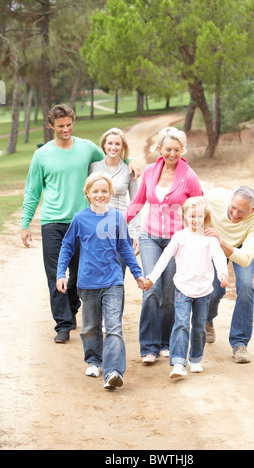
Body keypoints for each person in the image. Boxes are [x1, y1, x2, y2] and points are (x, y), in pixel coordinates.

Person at [20, 104, 140, 344]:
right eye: (60, 126)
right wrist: (25, 224)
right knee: (56, 273)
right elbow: (33, 191)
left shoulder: (86, 148)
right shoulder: (42, 154)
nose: (66, 129)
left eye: (69, 125)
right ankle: (63, 325)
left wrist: (132, 160)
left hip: (84, 222)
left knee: (78, 275)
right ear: (50, 126)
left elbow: (111, 157)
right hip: (52, 222)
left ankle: (72, 305)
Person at [56, 173, 146, 390]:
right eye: (95, 191)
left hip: (113, 280)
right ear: (87, 194)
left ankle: (113, 371)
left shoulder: (117, 218)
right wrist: (61, 273)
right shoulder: (80, 218)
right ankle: (94, 361)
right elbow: (67, 246)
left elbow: (124, 246)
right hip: (87, 282)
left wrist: (137, 273)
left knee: (113, 326)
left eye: (104, 191)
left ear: (110, 193)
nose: (100, 195)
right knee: (90, 327)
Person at [125, 127, 203, 364]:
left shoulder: (188, 176)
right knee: (151, 290)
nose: (172, 153)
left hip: (176, 240)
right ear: (159, 149)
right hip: (150, 237)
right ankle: (148, 347)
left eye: (177, 150)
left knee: (169, 295)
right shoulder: (150, 171)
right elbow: (138, 202)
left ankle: (166, 343)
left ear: (182, 151)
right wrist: (117, 223)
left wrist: (201, 236)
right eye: (168, 149)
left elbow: (199, 206)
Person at [145, 196, 228, 378]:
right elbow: (164, 258)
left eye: (199, 216)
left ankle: (196, 359)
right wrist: (151, 278)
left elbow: (220, 257)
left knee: (198, 326)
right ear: (185, 216)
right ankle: (178, 363)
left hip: (204, 290)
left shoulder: (209, 239)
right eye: (192, 216)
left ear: (205, 217)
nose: (195, 220)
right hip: (183, 288)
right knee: (181, 324)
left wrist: (223, 273)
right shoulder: (179, 237)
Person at [204, 185, 254, 363]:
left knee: (246, 287)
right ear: (230, 199)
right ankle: (208, 320)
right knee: (215, 290)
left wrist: (221, 242)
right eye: (233, 207)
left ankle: (240, 343)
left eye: (241, 211)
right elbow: (192, 195)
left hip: (239, 248)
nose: (234, 214)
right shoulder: (215, 197)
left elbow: (246, 258)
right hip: (216, 243)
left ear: (252, 209)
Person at [89, 127, 141, 272]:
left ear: (122, 146)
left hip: (123, 229)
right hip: (97, 228)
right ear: (104, 145)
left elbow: (136, 203)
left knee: (118, 274)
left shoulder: (129, 170)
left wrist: (138, 234)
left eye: (117, 144)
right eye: (110, 143)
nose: (113, 147)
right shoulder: (93, 167)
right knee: (98, 273)